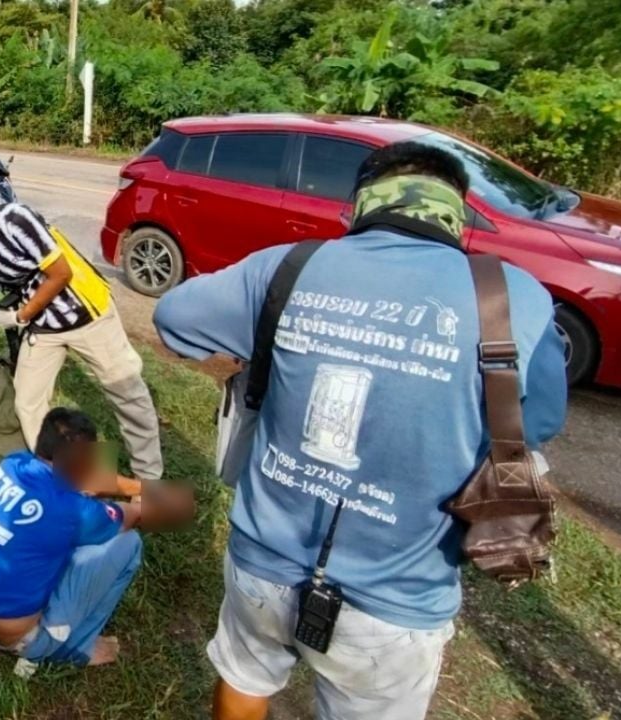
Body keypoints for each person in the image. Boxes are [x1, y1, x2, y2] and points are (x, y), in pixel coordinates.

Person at [154, 141, 568, 720]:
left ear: (358, 206)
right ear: (455, 213)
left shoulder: (288, 267)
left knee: (245, 675)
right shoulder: (513, 295)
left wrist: (261, 356)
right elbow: (541, 420)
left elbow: (173, 319)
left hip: (265, 559)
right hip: (398, 592)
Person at [0, 203, 164, 481]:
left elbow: (61, 273)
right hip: (43, 327)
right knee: (28, 402)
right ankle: (64, 478)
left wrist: (20, 315)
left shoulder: (11, 222)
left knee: (127, 392)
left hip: (87, 313)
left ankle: (149, 481)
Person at [0, 407, 195, 666]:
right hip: (21, 639)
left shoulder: (14, 462)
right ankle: (78, 645)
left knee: (55, 539)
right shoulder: (72, 510)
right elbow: (133, 514)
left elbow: (89, 483)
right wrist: (163, 494)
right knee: (129, 542)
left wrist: (119, 483)